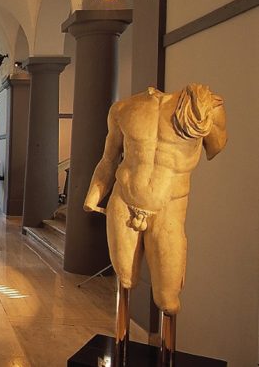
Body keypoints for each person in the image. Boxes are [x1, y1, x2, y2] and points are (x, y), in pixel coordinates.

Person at [84, 84, 227, 355]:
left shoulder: (202, 105)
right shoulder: (123, 108)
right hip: (124, 199)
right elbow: (109, 159)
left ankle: (166, 351)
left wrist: (207, 113)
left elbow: (216, 146)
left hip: (169, 206)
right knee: (125, 279)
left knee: (167, 298)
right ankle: (122, 343)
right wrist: (94, 194)